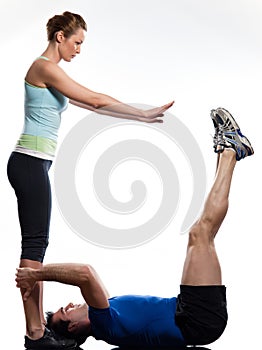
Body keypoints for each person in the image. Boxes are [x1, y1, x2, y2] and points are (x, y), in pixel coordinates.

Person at [16, 108, 254, 348]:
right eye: (64, 312)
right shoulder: (105, 324)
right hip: (195, 319)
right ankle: (231, 149)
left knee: (202, 234)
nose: (68, 305)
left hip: (188, 311)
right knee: (201, 234)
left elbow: (89, 282)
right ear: (75, 327)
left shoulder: (109, 312)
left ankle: (227, 150)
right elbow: (85, 274)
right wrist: (36, 274)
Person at [7, 10, 174, 349]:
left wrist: (137, 119)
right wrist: (141, 113)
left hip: (36, 164)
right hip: (28, 162)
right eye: (77, 42)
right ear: (60, 37)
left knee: (38, 246)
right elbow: (95, 98)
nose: (79, 50)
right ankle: (35, 334)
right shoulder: (44, 68)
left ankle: (38, 328)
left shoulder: (53, 75)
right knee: (34, 247)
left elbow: (96, 107)